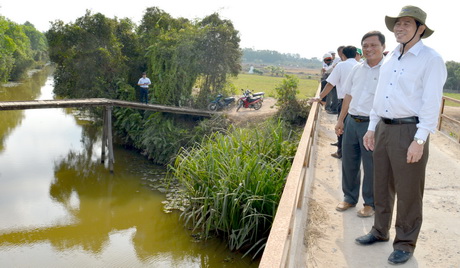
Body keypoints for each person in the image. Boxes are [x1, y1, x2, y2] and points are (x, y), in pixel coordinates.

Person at [355, 6, 447, 265]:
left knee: (408, 191)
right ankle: (379, 231)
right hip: (383, 127)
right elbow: (380, 95)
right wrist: (372, 127)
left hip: (409, 130)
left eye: (406, 23)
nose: (399, 27)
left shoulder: (431, 59)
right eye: (397, 23)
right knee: (381, 184)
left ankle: (405, 243)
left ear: (420, 29)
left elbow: (431, 103)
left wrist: (420, 140)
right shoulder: (391, 57)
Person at [334, 31, 386, 216]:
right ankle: (349, 198)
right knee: (349, 161)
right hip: (352, 121)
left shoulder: (387, 70)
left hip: (372, 125)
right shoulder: (357, 68)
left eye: (373, 45)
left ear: (383, 47)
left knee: (371, 165)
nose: (369, 49)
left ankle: (370, 203)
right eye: (365, 46)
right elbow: (348, 94)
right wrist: (341, 120)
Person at [311, 46, 359, 159]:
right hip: (358, 103)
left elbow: (330, 84)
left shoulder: (341, 65)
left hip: (344, 101)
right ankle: (352, 153)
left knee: (341, 126)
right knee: (353, 128)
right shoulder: (359, 65)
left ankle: (340, 152)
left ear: (343, 55)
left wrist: (320, 97)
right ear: (356, 54)